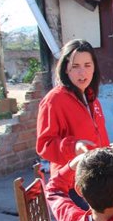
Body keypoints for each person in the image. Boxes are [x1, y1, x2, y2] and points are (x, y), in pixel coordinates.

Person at [37, 39, 109, 209]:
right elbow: (44, 145)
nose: (82, 72)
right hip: (70, 185)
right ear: (65, 69)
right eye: (75, 66)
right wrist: (73, 147)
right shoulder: (54, 100)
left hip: (95, 180)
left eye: (87, 65)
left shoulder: (92, 98)